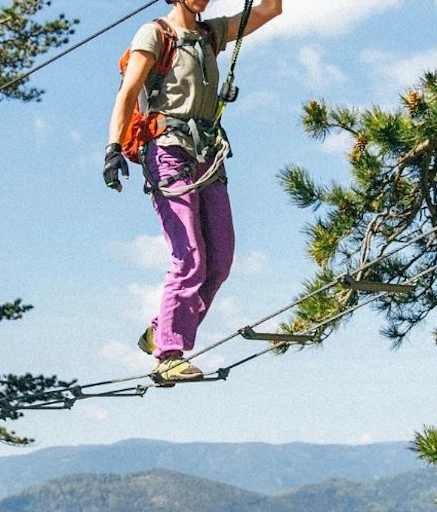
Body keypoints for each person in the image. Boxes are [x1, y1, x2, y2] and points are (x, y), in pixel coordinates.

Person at [103, 0, 283, 385]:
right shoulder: (155, 34)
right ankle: (168, 354)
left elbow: (270, 10)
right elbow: (128, 90)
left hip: (207, 153)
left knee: (220, 260)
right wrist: (113, 149)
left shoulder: (210, 34)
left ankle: (159, 329)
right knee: (191, 256)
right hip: (167, 149)